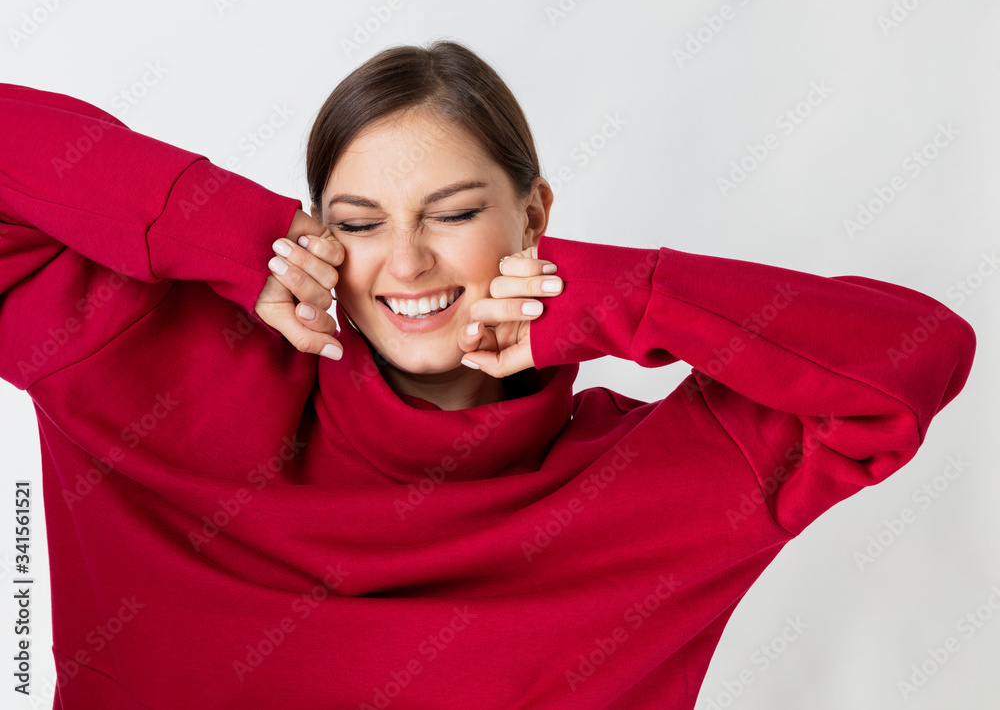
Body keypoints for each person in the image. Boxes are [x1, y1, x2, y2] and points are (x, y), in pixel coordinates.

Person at [0, 39, 976, 710]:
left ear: (534, 215)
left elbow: (911, 357)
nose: (409, 264)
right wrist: (224, 229)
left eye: (453, 212)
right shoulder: (141, 363)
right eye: (358, 221)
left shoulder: (668, 484)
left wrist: (617, 297)